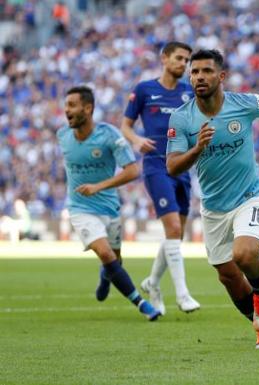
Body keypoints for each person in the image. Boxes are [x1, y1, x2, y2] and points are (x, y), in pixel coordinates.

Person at [166, 49, 259, 348]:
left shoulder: (243, 104)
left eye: (206, 71)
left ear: (221, 76)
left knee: (244, 255)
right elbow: (173, 166)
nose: (200, 77)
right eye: (195, 72)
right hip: (214, 207)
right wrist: (197, 149)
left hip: (250, 196)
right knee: (228, 276)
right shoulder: (182, 117)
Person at [57, 85, 160, 321]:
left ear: (88, 108)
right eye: (66, 105)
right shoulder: (62, 135)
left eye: (72, 105)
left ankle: (106, 276)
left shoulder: (110, 135)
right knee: (105, 253)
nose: (66, 110)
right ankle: (142, 304)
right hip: (79, 207)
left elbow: (133, 171)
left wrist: (98, 187)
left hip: (109, 206)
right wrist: (86, 190)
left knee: (115, 260)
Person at [121, 41, 200, 314]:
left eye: (187, 60)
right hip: (155, 165)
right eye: (179, 58)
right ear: (164, 58)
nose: (183, 64)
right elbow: (125, 126)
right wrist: (136, 140)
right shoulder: (145, 90)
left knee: (175, 233)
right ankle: (183, 294)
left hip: (182, 166)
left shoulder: (189, 93)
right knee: (175, 231)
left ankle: (153, 283)